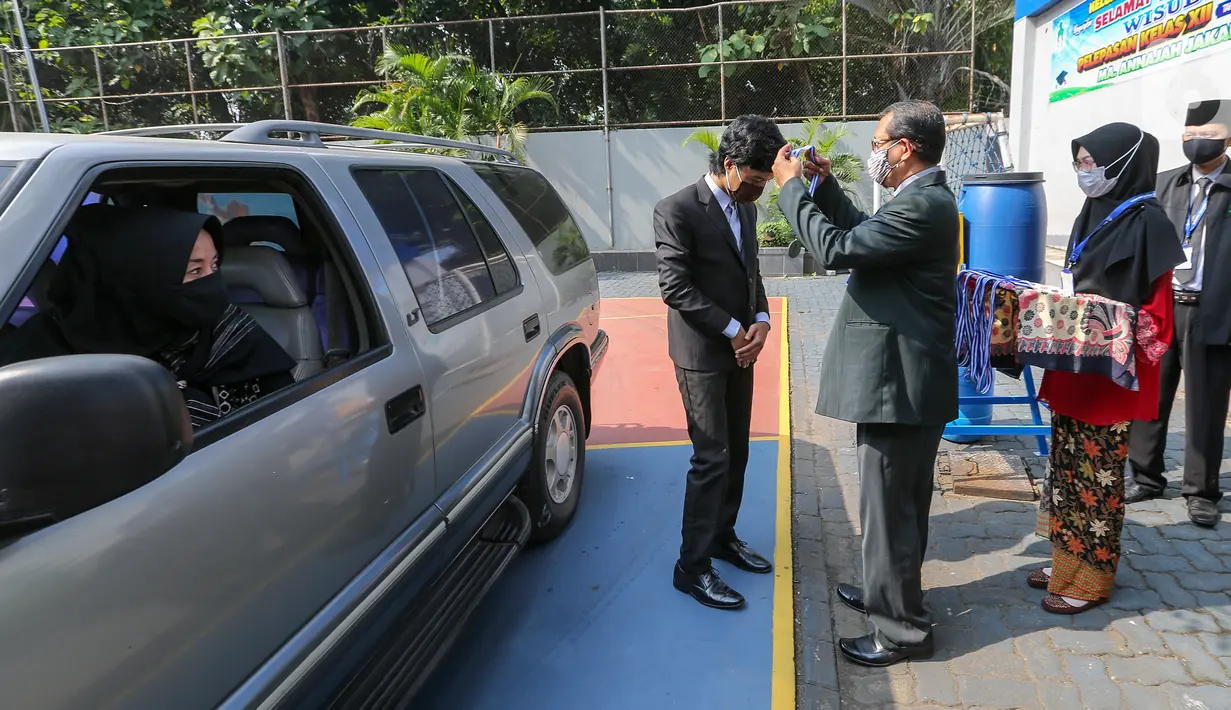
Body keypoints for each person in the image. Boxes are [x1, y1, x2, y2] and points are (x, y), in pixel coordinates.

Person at [771, 100, 957, 666]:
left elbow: (835, 250)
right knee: (889, 506)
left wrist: (790, 190)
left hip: (901, 385)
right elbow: (862, 233)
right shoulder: (916, 201)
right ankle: (885, 593)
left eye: (879, 142)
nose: (873, 151)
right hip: (897, 381)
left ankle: (901, 629)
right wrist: (823, 189)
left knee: (893, 509)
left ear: (904, 149)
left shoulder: (925, 205)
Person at [1030, 123, 1184, 613]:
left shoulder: (1149, 223)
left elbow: (1158, 320)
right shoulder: (1091, 212)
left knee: (1097, 475)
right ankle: (1064, 561)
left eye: (1092, 162)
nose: (1085, 171)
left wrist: (1102, 320)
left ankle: (1091, 579)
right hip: (1073, 364)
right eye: (1079, 162)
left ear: (1125, 162)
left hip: (1112, 376)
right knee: (1066, 467)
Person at [0, 205, 296, 427]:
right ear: (133, 278)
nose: (212, 283)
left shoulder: (226, 330)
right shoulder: (42, 357)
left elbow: (288, 419)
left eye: (215, 265)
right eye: (195, 270)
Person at [654, 114, 778, 610]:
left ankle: (723, 537)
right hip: (703, 354)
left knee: (738, 452)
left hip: (742, 351)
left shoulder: (745, 211)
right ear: (730, 165)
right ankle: (692, 565)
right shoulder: (677, 209)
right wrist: (733, 331)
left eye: (766, 183)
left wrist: (763, 320)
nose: (760, 192)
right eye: (754, 181)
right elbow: (674, 287)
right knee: (711, 457)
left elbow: (752, 274)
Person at [1126, 99, 1231, 528]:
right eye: (1188, 137)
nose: (1195, 144)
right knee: (1150, 392)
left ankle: (1201, 490)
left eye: (1204, 137)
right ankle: (1146, 476)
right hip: (1163, 303)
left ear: (1226, 139)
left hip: (1214, 307)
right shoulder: (1164, 184)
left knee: (1207, 402)